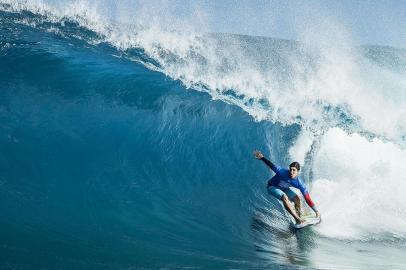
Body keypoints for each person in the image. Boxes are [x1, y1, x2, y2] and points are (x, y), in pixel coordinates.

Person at [254, 150, 320, 224]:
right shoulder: (281, 171)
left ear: (298, 171)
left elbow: (307, 199)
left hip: (284, 189)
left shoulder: (299, 183)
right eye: (290, 169)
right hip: (272, 187)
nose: (291, 172)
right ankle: (297, 219)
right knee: (284, 197)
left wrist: (316, 211)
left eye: (294, 170)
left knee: (297, 199)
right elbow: (271, 165)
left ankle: (299, 215)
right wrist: (262, 158)